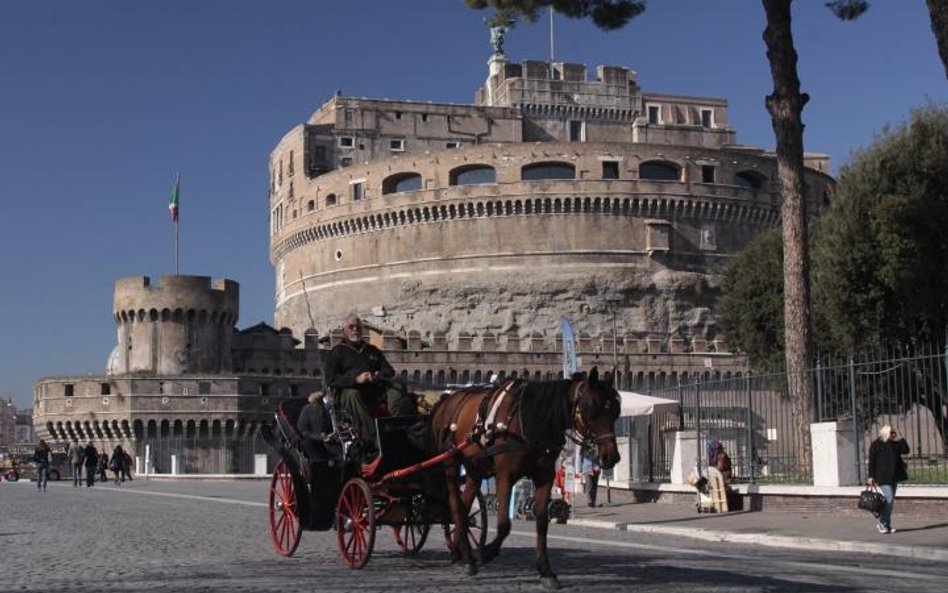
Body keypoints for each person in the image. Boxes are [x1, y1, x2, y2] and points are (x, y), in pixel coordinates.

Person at [324, 314, 414, 457]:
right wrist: (356, 379)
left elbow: (389, 371)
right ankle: (374, 437)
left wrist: (378, 375)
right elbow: (331, 379)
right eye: (351, 327)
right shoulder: (337, 352)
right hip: (349, 393)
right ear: (344, 330)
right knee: (353, 394)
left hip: (374, 390)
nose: (355, 330)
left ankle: (397, 423)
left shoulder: (372, 350)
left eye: (358, 327)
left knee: (396, 383)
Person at [868, 424, 909, 534]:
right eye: (892, 432)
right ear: (886, 433)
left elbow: (905, 450)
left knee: (889, 502)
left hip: (894, 476)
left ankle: (886, 525)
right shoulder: (876, 445)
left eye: (894, 433)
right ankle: (882, 523)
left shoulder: (895, 444)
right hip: (882, 476)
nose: (893, 435)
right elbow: (872, 461)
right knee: (889, 499)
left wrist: (901, 437)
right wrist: (870, 476)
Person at [297, 391, 336, 463]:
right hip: (313, 440)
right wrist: (320, 437)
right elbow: (303, 430)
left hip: (329, 439)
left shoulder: (330, 409)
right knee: (307, 444)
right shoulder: (307, 410)